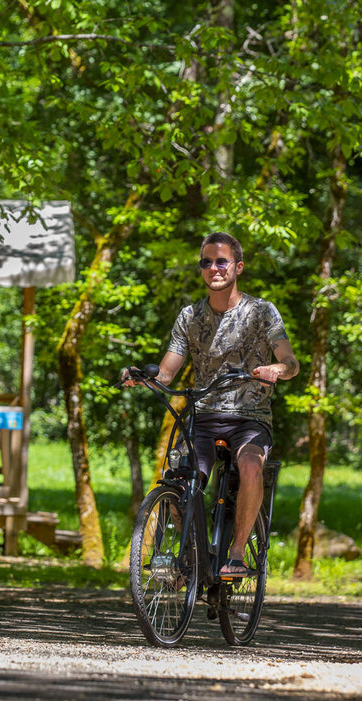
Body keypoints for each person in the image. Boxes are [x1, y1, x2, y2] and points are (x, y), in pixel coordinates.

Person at [125, 232, 299, 579]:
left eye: (221, 261)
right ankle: (189, 559)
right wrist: (142, 375)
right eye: (207, 262)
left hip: (250, 418)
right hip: (204, 416)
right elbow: (168, 372)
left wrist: (276, 369)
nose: (214, 268)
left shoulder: (262, 312)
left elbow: (290, 361)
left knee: (250, 466)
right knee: (180, 478)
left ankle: (235, 553)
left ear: (238, 266)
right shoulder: (190, 316)